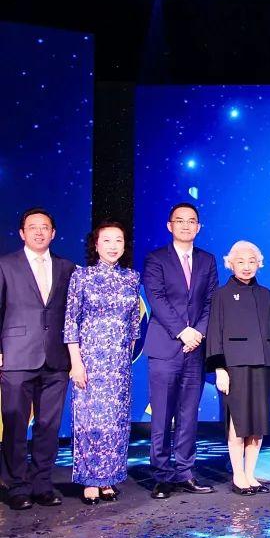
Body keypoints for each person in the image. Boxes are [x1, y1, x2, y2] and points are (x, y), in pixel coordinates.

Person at [0, 208, 76, 510]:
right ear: (22, 233)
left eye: (45, 227)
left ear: (53, 233)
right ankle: (16, 485)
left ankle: (42, 483)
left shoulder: (67, 267)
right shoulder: (6, 265)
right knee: (15, 424)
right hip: (16, 355)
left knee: (49, 426)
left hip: (56, 357)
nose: (39, 232)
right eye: (33, 227)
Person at [142, 202, 218, 499]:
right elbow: (156, 298)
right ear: (169, 225)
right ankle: (161, 475)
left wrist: (198, 332)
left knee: (188, 415)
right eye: (180, 220)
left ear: (198, 227)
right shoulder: (156, 259)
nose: (186, 225)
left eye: (191, 221)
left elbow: (211, 300)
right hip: (165, 345)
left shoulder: (207, 260)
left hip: (195, 348)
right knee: (162, 415)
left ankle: (185, 472)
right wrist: (182, 331)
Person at [63, 221, 141, 505]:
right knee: (90, 421)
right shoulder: (82, 276)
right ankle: (89, 481)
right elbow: (71, 321)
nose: (113, 246)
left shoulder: (132, 277)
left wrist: (124, 357)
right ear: (95, 245)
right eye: (106, 240)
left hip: (119, 364)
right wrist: (76, 362)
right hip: (89, 360)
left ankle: (109, 478)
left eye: (118, 240)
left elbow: (134, 325)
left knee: (115, 423)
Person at [206, 241, 270, 496]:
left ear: (259, 264)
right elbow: (214, 332)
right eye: (240, 261)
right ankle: (238, 476)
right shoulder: (221, 295)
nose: (246, 266)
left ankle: (250, 474)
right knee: (238, 423)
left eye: (251, 261)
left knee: (258, 424)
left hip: (263, 364)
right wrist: (219, 368)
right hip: (235, 366)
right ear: (230, 264)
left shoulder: (265, 294)